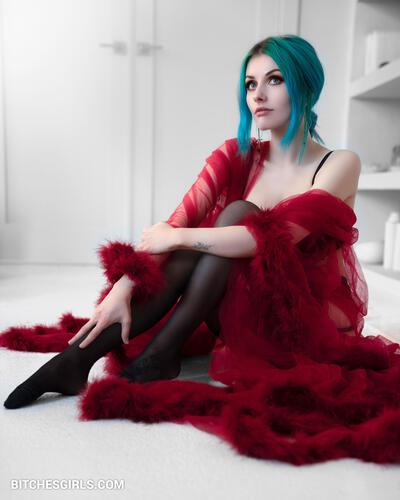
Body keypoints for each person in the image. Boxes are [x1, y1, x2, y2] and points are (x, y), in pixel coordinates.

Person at [3, 35, 400, 466]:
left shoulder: (339, 163)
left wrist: (179, 238)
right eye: (250, 84)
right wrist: (125, 285)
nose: (258, 95)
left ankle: (150, 354)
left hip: (295, 322)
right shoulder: (238, 155)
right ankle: (82, 360)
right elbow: (176, 223)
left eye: (275, 80)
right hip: (228, 310)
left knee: (236, 216)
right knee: (200, 234)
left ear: (305, 84)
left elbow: (268, 240)